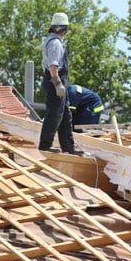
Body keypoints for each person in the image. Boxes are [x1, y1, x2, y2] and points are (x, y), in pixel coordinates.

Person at [38, 12, 83, 155]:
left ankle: (69, 147)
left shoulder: (51, 40)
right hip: (54, 80)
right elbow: (53, 66)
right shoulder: (56, 43)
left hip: (55, 80)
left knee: (65, 115)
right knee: (55, 114)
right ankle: (44, 146)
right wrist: (58, 84)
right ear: (65, 29)